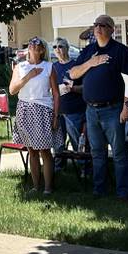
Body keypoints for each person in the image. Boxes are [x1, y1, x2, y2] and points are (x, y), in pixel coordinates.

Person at [69, 15, 128, 199]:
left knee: (119, 152)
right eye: (95, 24)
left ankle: (124, 192)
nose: (98, 27)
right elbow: (73, 74)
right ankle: (100, 190)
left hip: (113, 109)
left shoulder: (121, 51)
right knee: (97, 152)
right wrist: (90, 63)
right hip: (91, 110)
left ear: (112, 29)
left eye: (103, 25)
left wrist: (126, 107)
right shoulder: (89, 51)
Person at [9, 37, 60, 194]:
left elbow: (56, 94)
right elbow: (12, 90)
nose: (33, 46)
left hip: (43, 110)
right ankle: (35, 186)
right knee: (32, 150)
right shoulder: (20, 67)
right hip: (24, 110)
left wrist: (56, 116)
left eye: (37, 45)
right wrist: (29, 76)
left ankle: (48, 188)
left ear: (42, 50)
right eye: (31, 44)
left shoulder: (49, 67)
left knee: (44, 150)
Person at [51, 37, 86, 174]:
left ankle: (84, 168)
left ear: (67, 48)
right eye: (55, 47)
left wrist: (73, 89)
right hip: (58, 110)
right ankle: (59, 168)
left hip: (74, 110)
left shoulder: (76, 66)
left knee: (77, 141)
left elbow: (86, 87)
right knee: (58, 142)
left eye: (60, 46)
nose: (57, 50)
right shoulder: (53, 67)